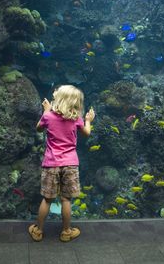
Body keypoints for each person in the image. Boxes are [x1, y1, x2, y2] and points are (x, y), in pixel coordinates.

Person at [28, 85, 95, 242]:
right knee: (66, 200)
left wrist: (46, 110)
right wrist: (88, 120)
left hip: (51, 163)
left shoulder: (49, 116)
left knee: (47, 199)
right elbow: (86, 134)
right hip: (70, 164)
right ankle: (66, 232)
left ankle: (38, 231)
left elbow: (38, 129)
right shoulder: (76, 119)